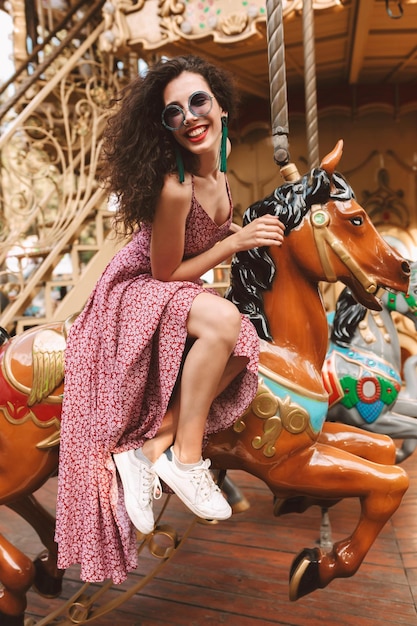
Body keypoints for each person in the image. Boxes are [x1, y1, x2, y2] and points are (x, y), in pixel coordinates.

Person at [55, 54, 285, 584]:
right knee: (227, 322)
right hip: (135, 291)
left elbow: (216, 238)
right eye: (172, 112)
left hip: (173, 288)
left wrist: (250, 232)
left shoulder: (220, 174)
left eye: (198, 101)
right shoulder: (175, 187)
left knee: (245, 342)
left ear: (221, 107)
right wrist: (235, 242)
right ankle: (185, 459)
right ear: (164, 129)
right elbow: (164, 273)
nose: (188, 116)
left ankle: (149, 447)